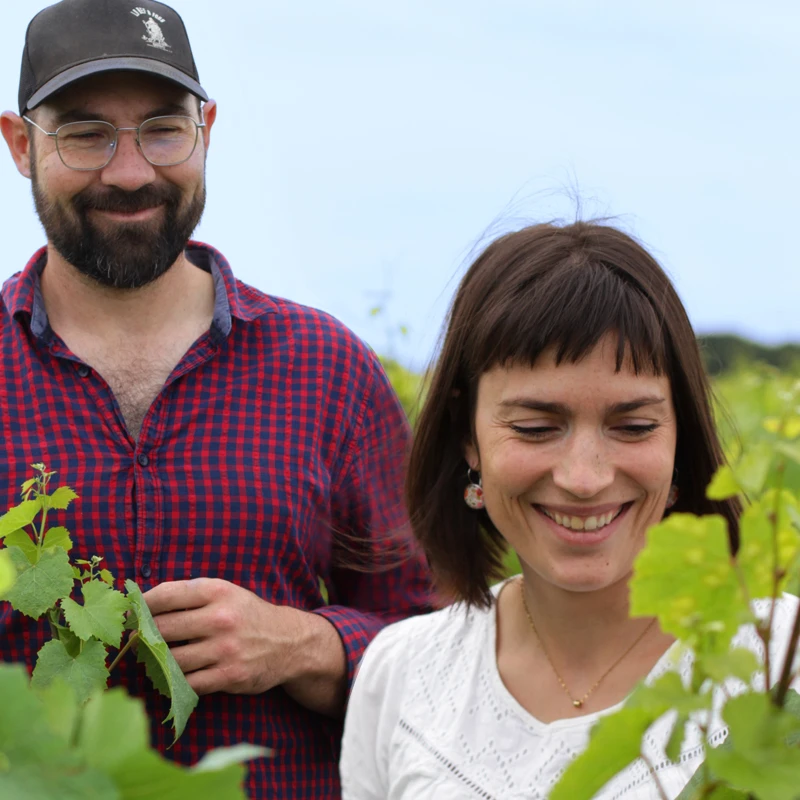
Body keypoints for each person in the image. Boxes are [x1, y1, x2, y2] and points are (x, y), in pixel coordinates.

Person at [0, 1, 432, 797]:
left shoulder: (327, 372)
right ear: (22, 145)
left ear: (207, 131)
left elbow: (441, 655)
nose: (131, 172)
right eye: (87, 135)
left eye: (163, 130)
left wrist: (305, 645)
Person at [340, 221, 800, 798]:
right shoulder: (401, 674)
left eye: (634, 426)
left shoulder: (782, 657)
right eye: (535, 428)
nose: (585, 478)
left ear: (680, 438)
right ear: (467, 436)